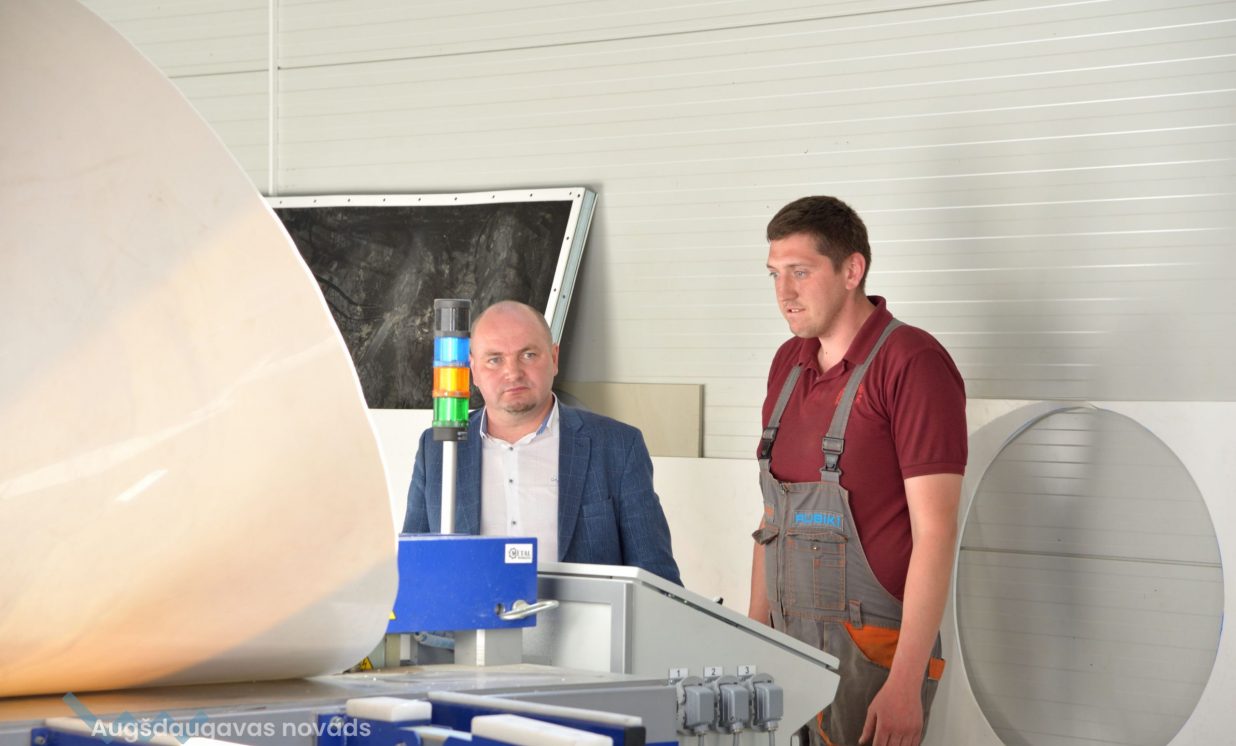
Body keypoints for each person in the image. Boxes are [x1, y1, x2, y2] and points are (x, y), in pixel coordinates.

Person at [749, 196, 967, 746]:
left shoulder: (912, 364)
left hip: (872, 658)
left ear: (852, 270)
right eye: (775, 274)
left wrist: (905, 683)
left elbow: (936, 533)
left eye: (801, 272)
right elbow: (771, 517)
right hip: (785, 648)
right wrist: (751, 640)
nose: (784, 293)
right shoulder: (788, 364)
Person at [403, 300, 682, 586]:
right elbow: (413, 572)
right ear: (472, 368)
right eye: (495, 359)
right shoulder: (438, 449)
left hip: (581, 616)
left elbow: (658, 582)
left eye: (528, 355)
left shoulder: (617, 447)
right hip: (471, 616)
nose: (513, 372)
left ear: (554, 357)